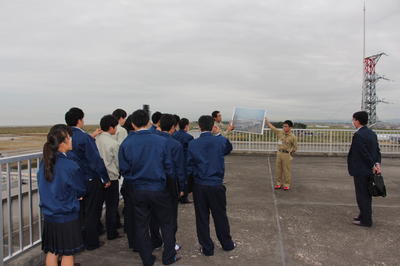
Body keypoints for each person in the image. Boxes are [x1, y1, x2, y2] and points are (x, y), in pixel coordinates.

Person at [119, 110, 180, 266]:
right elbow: (169, 168)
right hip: (159, 188)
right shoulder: (161, 141)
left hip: (137, 189)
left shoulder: (126, 143)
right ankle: (168, 257)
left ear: (132, 123)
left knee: (141, 225)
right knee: (167, 223)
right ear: (148, 122)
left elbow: (124, 170)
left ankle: (147, 258)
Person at [38, 124, 86, 266]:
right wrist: (78, 195)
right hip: (66, 216)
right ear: (63, 142)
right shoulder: (70, 165)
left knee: (52, 251)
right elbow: (81, 188)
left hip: (49, 215)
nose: (72, 140)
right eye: (69, 137)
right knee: (67, 253)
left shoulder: (45, 163)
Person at [187, 115, 235, 256]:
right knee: (220, 215)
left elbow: (189, 166)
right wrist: (219, 134)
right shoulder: (220, 141)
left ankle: (207, 248)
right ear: (213, 125)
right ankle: (227, 244)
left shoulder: (193, 143)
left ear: (200, 126)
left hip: (200, 185)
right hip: (216, 184)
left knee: (202, 217)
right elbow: (228, 148)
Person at [65, 107, 111, 250]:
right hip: (90, 179)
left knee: (79, 212)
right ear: (79, 120)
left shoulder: (65, 135)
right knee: (92, 212)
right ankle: (91, 242)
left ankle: (78, 241)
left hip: (74, 180)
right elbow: (95, 160)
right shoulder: (84, 137)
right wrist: (105, 178)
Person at [150, 114, 185, 252]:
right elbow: (180, 168)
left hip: (154, 182)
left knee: (154, 215)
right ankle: (170, 243)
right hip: (170, 183)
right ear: (173, 127)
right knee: (170, 216)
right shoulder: (175, 144)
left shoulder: (152, 141)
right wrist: (182, 187)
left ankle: (156, 240)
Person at [348, 111, 381, 227]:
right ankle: (363, 215)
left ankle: (366, 221)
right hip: (369, 169)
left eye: (353, 120)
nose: (353, 122)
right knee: (366, 194)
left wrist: (373, 164)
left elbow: (364, 153)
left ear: (357, 120)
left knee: (362, 195)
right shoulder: (371, 133)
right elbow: (376, 150)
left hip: (361, 169)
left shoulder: (358, 135)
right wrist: (377, 164)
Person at [96, 115, 121, 240]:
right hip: (111, 177)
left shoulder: (95, 140)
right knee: (112, 206)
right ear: (111, 127)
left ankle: (98, 229)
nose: (116, 129)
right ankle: (112, 232)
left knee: (97, 205)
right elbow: (117, 162)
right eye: (115, 126)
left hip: (98, 177)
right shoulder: (113, 143)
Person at [265, 118, 298, 191]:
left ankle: (286, 184)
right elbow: (273, 128)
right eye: (283, 126)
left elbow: (295, 147)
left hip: (286, 154)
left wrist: (290, 152)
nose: (284, 128)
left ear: (290, 127)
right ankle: (278, 184)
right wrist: (267, 122)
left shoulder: (293, 137)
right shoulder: (280, 133)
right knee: (278, 170)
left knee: (286, 170)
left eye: (286, 126)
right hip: (279, 153)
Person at [173, 118, 194, 204]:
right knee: (184, 178)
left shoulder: (174, 135)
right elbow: (192, 150)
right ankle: (184, 198)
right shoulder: (189, 137)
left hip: (175, 159)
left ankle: (177, 195)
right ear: (186, 126)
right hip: (185, 160)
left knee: (176, 178)